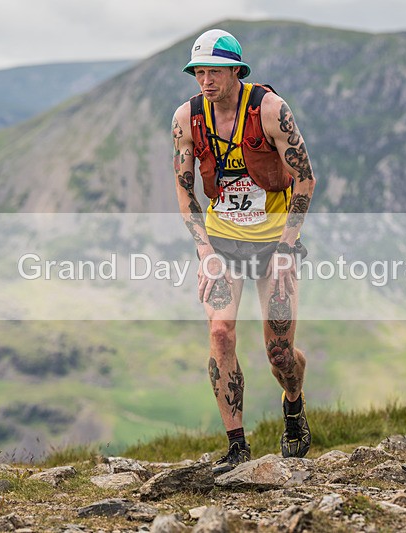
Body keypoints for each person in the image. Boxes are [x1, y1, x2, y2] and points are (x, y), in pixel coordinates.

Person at [171, 29, 317, 474]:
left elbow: (306, 179)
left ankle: (293, 404)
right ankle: (237, 445)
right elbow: (185, 193)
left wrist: (287, 247)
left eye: (214, 71)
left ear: (237, 70)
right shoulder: (187, 118)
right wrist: (204, 251)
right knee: (220, 334)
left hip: (274, 242)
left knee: (279, 353)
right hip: (222, 242)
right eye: (199, 72)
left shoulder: (271, 110)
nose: (205, 80)